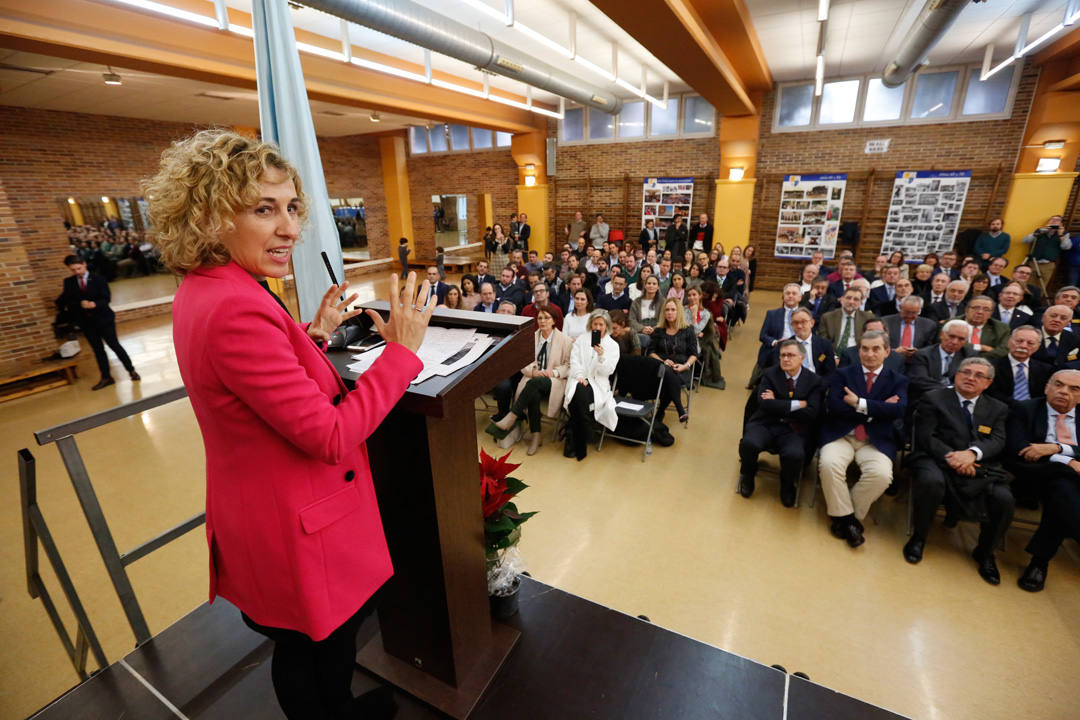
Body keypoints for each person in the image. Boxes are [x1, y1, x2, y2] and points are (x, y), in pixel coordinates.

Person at [150, 129, 434, 720]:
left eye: (292, 208)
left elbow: (255, 384)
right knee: (315, 647)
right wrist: (403, 354)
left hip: (261, 510)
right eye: (263, 209)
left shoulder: (212, 289)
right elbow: (328, 435)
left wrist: (316, 334)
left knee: (313, 644)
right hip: (293, 522)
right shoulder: (236, 305)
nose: (290, 229)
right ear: (210, 217)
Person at [904, 358, 1013, 585]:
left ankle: (985, 552)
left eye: (978, 375)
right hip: (935, 456)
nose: (971, 378)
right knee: (932, 482)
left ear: (988, 383)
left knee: (1004, 499)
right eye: (966, 372)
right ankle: (919, 536)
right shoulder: (934, 398)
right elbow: (926, 436)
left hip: (979, 463)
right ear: (957, 374)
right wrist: (954, 457)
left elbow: (997, 440)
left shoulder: (998, 408)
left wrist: (972, 454)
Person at [818, 330, 908, 547]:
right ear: (858, 351)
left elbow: (898, 410)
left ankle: (845, 517)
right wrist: (880, 408)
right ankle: (849, 522)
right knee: (829, 464)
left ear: (887, 352)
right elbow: (836, 406)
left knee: (882, 475)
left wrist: (859, 403)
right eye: (864, 349)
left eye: (876, 349)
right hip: (842, 435)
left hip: (875, 441)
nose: (869, 354)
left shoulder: (899, 380)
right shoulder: (843, 374)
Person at [1009, 369, 1080, 591]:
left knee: (1063, 494)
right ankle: (1039, 562)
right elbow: (1019, 449)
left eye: (1073, 389)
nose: (1063, 392)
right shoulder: (1024, 409)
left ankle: (1039, 563)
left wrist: (1056, 447)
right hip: (1032, 475)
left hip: (1068, 482)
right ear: (1046, 387)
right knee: (1063, 483)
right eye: (1058, 385)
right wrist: (1067, 461)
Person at [738, 338, 824, 506]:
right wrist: (799, 403)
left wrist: (777, 402)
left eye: (790, 355)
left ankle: (787, 485)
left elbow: (812, 412)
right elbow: (764, 403)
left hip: (794, 429)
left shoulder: (814, 381)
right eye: (782, 355)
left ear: (802, 358)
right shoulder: (770, 374)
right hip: (765, 423)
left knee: (794, 454)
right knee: (749, 443)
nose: (785, 359)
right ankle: (747, 475)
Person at [493, 308, 572, 455]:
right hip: (533, 378)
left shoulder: (565, 340)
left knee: (532, 385)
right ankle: (536, 436)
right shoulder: (531, 338)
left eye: (546, 318)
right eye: (540, 318)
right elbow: (522, 362)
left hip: (554, 381)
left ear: (554, 321)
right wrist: (533, 372)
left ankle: (512, 415)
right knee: (533, 392)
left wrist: (553, 372)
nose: (542, 321)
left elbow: (568, 366)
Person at [58, 253, 141, 390]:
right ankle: (106, 377)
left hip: (103, 319)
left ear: (84, 264)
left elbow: (106, 298)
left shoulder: (98, 279)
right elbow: (68, 301)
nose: (77, 272)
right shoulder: (69, 282)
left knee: (115, 345)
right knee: (98, 350)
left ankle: (131, 370)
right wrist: (80, 304)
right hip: (86, 322)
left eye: (78, 268)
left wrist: (94, 304)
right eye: (73, 270)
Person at [563, 310, 620, 460]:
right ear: (590, 324)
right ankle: (585, 431)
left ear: (606, 326)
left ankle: (573, 436)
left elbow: (609, 370)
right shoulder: (582, 339)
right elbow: (575, 361)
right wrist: (580, 376)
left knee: (578, 399)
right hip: (579, 378)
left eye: (601, 324)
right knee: (579, 391)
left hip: (599, 383)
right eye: (595, 323)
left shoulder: (613, 345)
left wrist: (601, 356)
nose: (598, 327)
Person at [648, 298, 698, 422]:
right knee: (667, 372)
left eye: (673, 310)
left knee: (669, 380)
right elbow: (650, 352)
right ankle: (680, 409)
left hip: (682, 369)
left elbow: (694, 354)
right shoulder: (658, 331)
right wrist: (662, 361)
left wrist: (685, 365)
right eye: (667, 310)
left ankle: (660, 412)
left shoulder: (688, 330)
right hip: (660, 367)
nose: (670, 312)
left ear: (679, 312)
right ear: (663, 313)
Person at [907, 320, 976, 405]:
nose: (955, 342)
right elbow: (920, 380)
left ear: (966, 341)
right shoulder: (922, 355)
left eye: (961, 339)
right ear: (941, 335)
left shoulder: (968, 355)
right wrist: (950, 390)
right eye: (951, 336)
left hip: (957, 401)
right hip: (927, 399)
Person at [986, 325, 1052, 407]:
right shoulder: (991, 366)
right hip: (1001, 409)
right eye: (1019, 341)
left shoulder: (1046, 370)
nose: (1023, 346)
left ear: (1037, 347)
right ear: (1009, 342)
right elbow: (991, 394)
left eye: (1030, 343)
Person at [819, 287, 874, 357]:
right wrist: (833, 357)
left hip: (858, 355)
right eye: (848, 298)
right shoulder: (827, 317)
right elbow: (823, 342)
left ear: (860, 303)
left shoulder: (868, 318)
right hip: (834, 354)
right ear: (841, 299)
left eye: (856, 299)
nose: (851, 302)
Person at [1022, 214, 1070, 285]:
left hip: (1048, 265)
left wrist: (1060, 235)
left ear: (1061, 224)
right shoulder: (1040, 231)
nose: (1053, 221)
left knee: (1041, 286)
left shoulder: (1064, 234)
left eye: (1057, 220)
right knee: (1028, 284)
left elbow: (1066, 247)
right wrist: (1035, 234)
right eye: (1052, 219)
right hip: (1034, 262)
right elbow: (1025, 241)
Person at [759, 283, 803, 349]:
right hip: (778, 348)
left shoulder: (806, 315)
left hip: (800, 348)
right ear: (783, 297)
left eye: (794, 293)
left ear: (800, 297)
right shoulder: (772, 314)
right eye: (788, 293)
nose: (790, 296)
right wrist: (775, 342)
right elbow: (763, 335)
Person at [629, 275, 663, 352]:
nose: (651, 286)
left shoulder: (663, 302)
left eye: (654, 284)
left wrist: (654, 329)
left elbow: (663, 320)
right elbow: (631, 319)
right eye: (649, 283)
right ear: (645, 285)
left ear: (658, 287)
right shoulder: (636, 302)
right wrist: (642, 328)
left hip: (657, 330)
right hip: (640, 330)